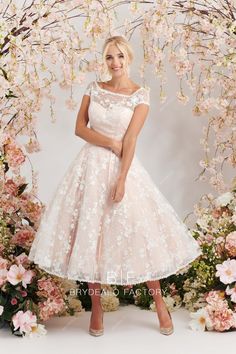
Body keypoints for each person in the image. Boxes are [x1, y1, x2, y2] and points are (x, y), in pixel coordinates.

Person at [28, 35, 202, 337]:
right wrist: (109, 141)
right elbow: (80, 128)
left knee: (140, 232)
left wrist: (121, 179)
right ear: (104, 60)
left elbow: (131, 140)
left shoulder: (140, 95)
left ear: (129, 59)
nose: (115, 63)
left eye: (120, 56)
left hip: (122, 169)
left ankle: (160, 304)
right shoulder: (93, 89)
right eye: (109, 57)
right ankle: (96, 307)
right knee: (90, 236)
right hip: (89, 167)